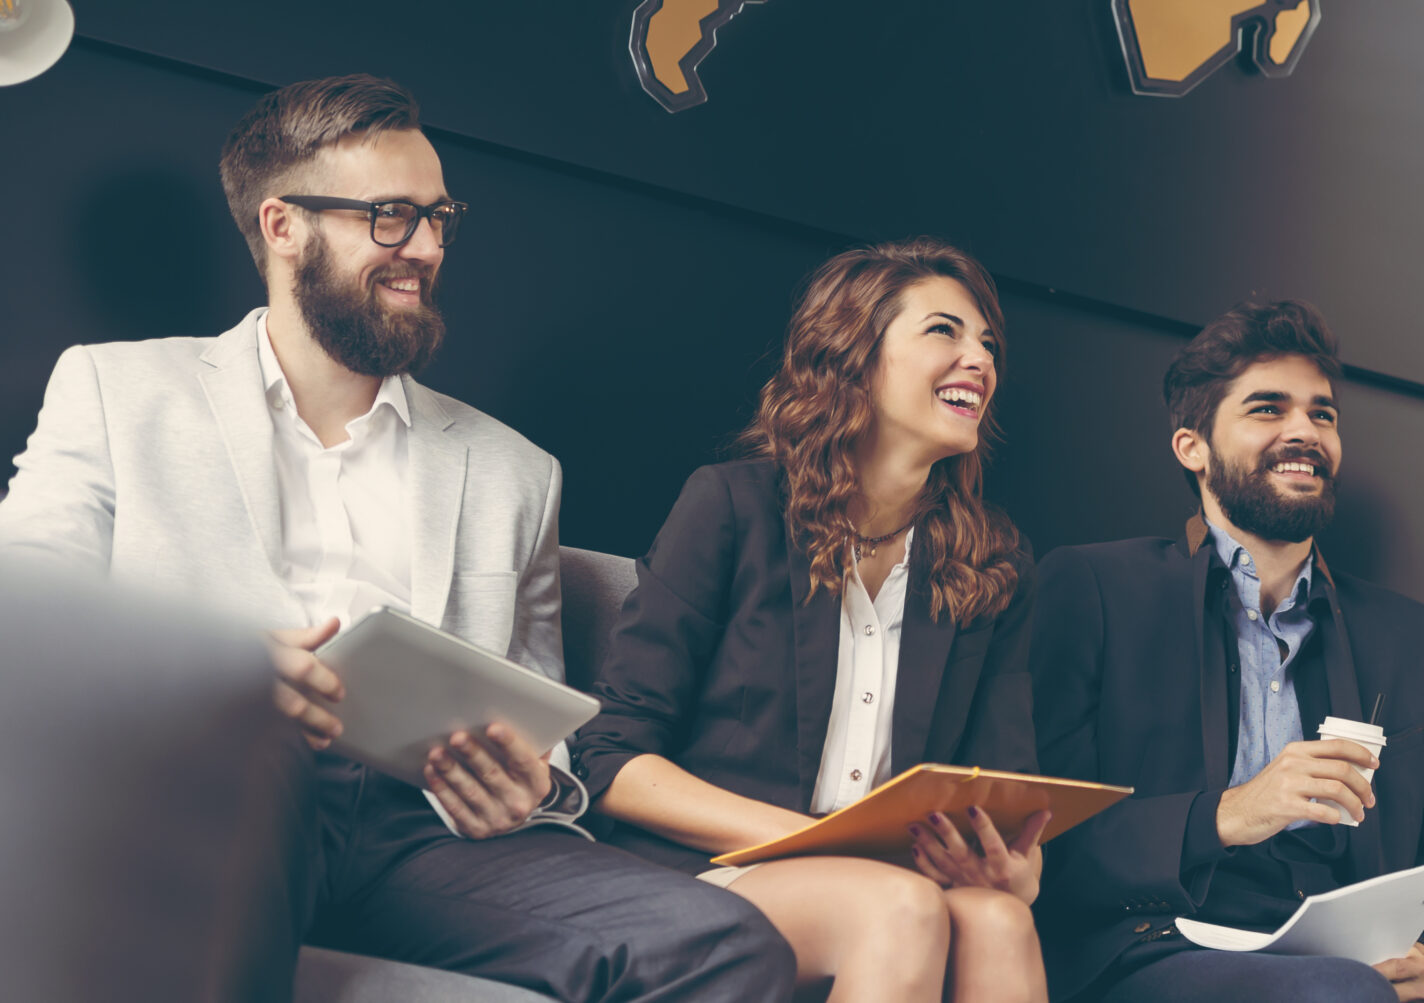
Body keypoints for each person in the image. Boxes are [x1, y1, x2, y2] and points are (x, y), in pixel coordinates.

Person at [0, 74, 793, 1001]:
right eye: (389, 216)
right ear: (282, 224)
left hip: (417, 840)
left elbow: (540, 714)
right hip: (213, 795)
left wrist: (531, 787)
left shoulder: (514, 471)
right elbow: (28, 622)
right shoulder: (117, 390)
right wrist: (220, 669)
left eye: (438, 216)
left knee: (728, 945)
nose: (425, 247)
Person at [574, 239, 1046, 1003]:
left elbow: (1002, 791)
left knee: (999, 919)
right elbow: (610, 759)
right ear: (854, 354)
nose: (979, 359)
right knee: (899, 904)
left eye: (987, 342)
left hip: (889, 882)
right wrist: (809, 842)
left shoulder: (995, 561)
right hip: (701, 872)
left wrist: (1014, 864)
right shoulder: (730, 505)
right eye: (944, 331)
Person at [1031, 298, 1424, 1003]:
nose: (1304, 430)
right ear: (1192, 446)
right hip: (1154, 950)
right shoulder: (1092, 587)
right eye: (1268, 409)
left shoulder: (1418, 639)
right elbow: (1048, 846)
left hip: (1356, 970)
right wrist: (1231, 812)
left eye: (1322, 413)